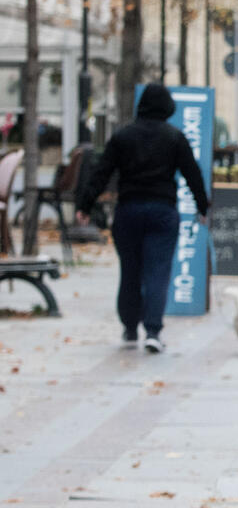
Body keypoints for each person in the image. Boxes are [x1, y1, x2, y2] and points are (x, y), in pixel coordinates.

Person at [75, 83, 209, 353]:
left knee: (130, 271)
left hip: (129, 211)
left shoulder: (122, 136)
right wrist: (202, 207)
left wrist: (85, 205)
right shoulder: (175, 137)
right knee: (158, 272)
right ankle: (153, 330)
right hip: (162, 212)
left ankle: (129, 327)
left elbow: (102, 172)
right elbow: (192, 173)